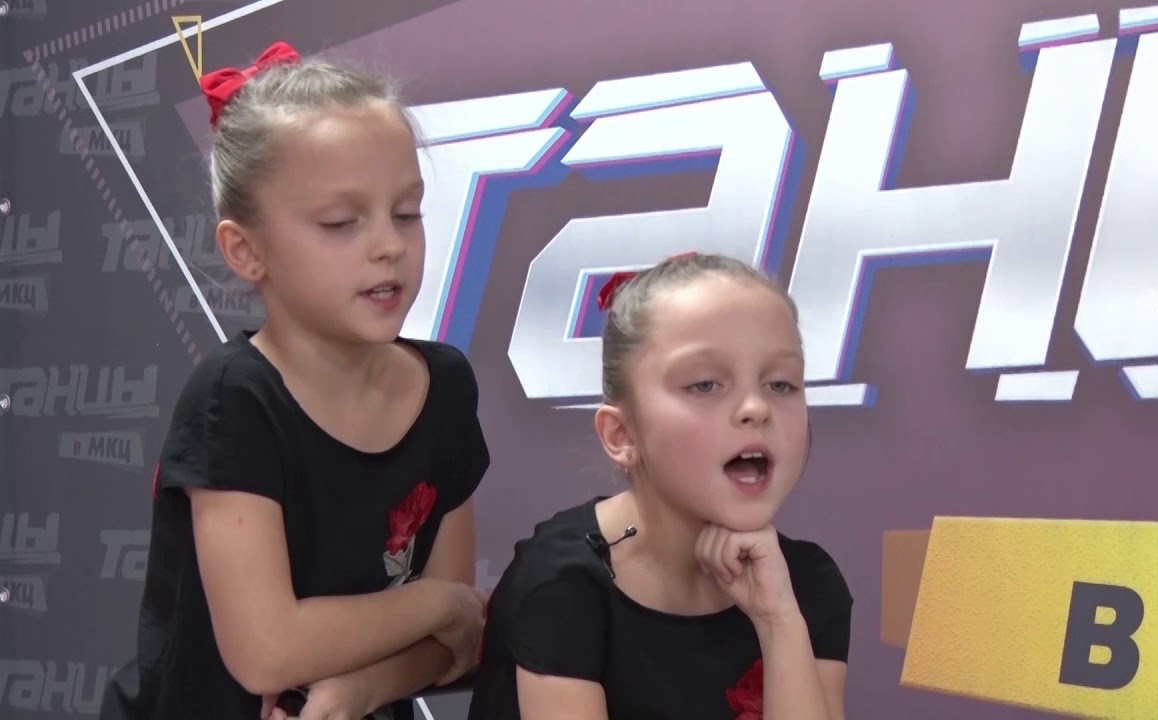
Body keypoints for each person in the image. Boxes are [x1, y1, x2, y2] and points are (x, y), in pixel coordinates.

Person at [99, 41, 490, 720]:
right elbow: (267, 650)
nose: (388, 245)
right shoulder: (235, 400)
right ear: (246, 250)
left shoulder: (446, 386)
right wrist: (434, 601)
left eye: (407, 213)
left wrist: (364, 689)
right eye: (341, 223)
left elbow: (456, 646)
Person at [468, 253, 854, 719]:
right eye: (706, 385)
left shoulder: (806, 583)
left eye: (781, 384)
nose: (756, 408)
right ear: (622, 435)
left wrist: (779, 622)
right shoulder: (563, 584)